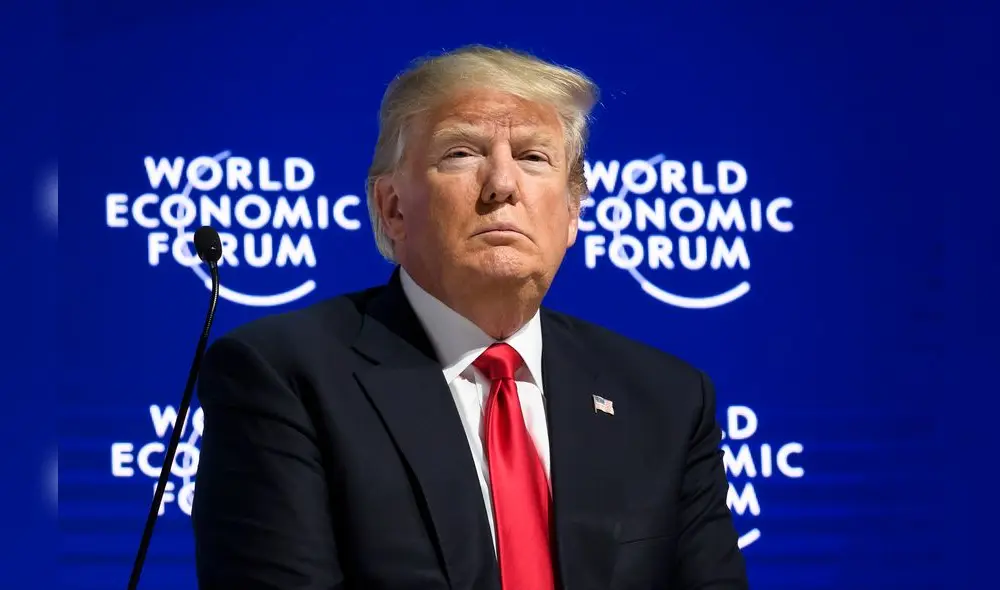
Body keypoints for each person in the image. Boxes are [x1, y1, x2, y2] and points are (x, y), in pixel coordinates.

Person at [192, 44, 749, 590]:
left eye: (534, 157)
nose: (502, 185)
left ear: (574, 212)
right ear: (392, 208)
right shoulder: (284, 376)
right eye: (461, 153)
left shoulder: (667, 400)